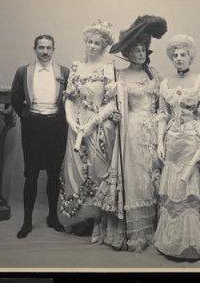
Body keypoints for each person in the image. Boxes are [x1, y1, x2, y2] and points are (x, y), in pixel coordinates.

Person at [154, 34, 200, 260]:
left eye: (183, 54)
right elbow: (163, 114)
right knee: (173, 189)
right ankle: (171, 241)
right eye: (175, 55)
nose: (179, 58)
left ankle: (193, 244)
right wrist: (159, 142)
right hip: (172, 141)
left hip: (193, 140)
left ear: (190, 57)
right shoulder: (165, 83)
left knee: (192, 188)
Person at [107, 15, 167, 252]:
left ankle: (157, 228)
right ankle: (136, 233)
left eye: (143, 50)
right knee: (138, 177)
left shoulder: (155, 74)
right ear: (128, 53)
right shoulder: (119, 76)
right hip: (132, 130)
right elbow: (110, 104)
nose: (140, 53)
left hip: (154, 129)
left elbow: (165, 103)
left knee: (154, 175)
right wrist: (115, 115)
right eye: (136, 50)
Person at [59, 21, 122, 244]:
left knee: (97, 173)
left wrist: (93, 122)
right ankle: (84, 219)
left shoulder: (107, 68)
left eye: (97, 43)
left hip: (98, 129)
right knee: (76, 173)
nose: (92, 46)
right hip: (76, 127)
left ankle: (99, 223)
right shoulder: (75, 67)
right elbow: (69, 98)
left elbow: (112, 104)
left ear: (104, 46)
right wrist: (70, 121)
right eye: (89, 42)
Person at [11, 34, 70, 239]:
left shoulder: (64, 72)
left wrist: (61, 117)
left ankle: (53, 216)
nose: (45, 52)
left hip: (56, 126)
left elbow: (71, 99)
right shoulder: (23, 72)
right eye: (41, 48)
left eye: (48, 48)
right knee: (32, 173)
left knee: (54, 173)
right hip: (33, 126)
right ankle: (27, 222)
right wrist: (27, 117)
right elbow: (16, 97)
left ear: (54, 50)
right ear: (34, 49)